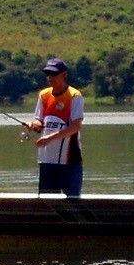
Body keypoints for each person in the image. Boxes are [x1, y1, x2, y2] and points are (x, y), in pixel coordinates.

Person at [27, 57, 85, 197]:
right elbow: (39, 121)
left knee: (72, 203)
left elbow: (76, 126)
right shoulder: (44, 95)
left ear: (64, 75)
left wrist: (49, 138)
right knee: (47, 204)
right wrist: (33, 124)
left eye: (54, 74)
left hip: (70, 161)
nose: (50, 77)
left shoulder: (74, 96)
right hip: (47, 160)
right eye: (48, 74)